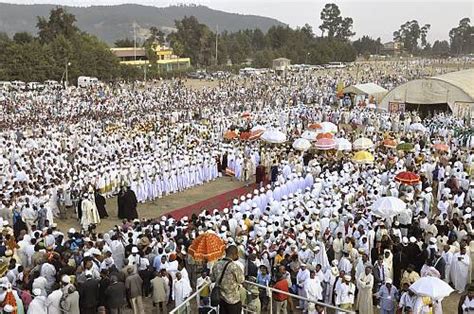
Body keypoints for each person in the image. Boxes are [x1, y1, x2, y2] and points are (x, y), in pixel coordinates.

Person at [210, 245, 245, 314]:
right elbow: (241, 280)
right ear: (234, 254)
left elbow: (212, 279)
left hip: (221, 299)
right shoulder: (234, 266)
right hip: (233, 301)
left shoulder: (216, 264)